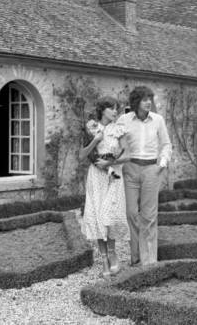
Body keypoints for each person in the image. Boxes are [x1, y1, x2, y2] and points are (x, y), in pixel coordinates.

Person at [117, 86, 172, 266]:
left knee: (149, 216)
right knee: (131, 213)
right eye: (144, 99)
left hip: (151, 169)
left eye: (150, 98)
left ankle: (148, 261)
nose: (148, 102)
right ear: (136, 102)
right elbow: (115, 143)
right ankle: (136, 257)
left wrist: (161, 165)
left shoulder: (158, 120)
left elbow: (166, 145)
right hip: (130, 169)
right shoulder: (124, 120)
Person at [80, 96, 129, 278]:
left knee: (111, 214)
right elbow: (81, 155)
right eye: (111, 108)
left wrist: (110, 162)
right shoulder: (92, 127)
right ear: (102, 110)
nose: (115, 111)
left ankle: (113, 252)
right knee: (98, 216)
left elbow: (128, 155)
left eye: (116, 108)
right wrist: (95, 141)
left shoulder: (119, 129)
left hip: (113, 175)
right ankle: (104, 259)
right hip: (96, 177)